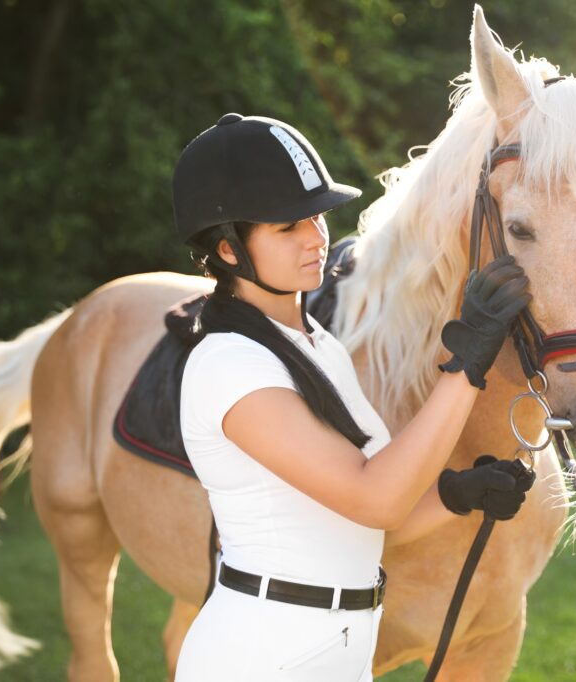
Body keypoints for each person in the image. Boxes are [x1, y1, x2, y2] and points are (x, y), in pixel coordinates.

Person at [172, 113, 534, 681]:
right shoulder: (229, 365)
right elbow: (376, 499)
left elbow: (367, 522)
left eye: (317, 216)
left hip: (337, 651)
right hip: (263, 656)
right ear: (228, 248)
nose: (318, 237)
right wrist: (467, 365)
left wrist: (456, 495)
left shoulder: (319, 347)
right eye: (288, 226)